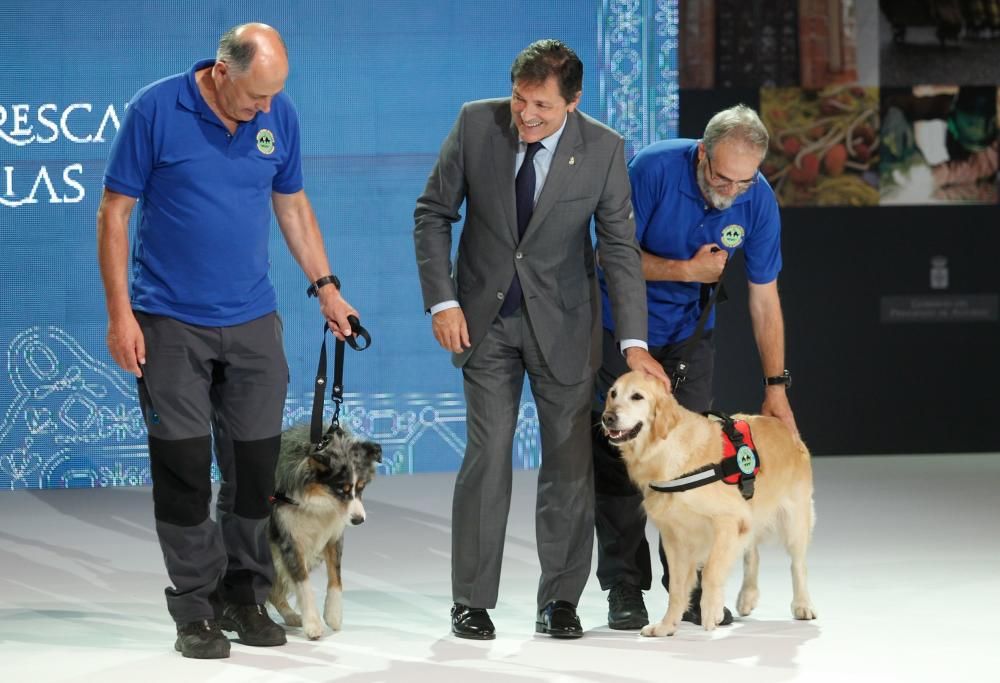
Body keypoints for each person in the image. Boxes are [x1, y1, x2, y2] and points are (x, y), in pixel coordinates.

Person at [97, 23, 359, 659]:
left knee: (251, 475)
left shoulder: (277, 114)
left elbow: (292, 204)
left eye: (274, 96)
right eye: (256, 96)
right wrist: (120, 316)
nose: (266, 108)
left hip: (251, 322)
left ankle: (245, 594)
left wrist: (326, 286)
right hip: (167, 321)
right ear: (221, 72)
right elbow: (114, 214)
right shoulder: (156, 110)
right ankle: (195, 609)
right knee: (184, 471)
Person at [413, 39, 668, 641]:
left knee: (569, 465)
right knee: (489, 454)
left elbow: (619, 252)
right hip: (485, 322)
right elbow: (432, 213)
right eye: (520, 99)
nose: (526, 115)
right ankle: (472, 601)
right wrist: (443, 300)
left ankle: (559, 601)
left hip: (565, 326)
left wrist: (634, 342)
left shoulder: (604, 150)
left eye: (543, 107)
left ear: (573, 102)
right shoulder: (477, 124)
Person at [592, 104, 798, 630]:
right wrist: (686, 270)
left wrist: (776, 387)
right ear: (702, 154)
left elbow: (764, 298)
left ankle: (685, 588)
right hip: (619, 331)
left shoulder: (758, 202)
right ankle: (623, 587)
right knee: (620, 464)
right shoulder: (653, 170)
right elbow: (609, 255)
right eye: (720, 176)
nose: (729, 190)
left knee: (693, 463)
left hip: (689, 336)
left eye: (743, 182)